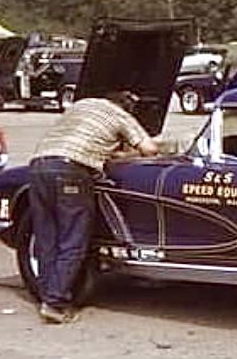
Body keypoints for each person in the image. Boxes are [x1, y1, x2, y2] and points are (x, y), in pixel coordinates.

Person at [28, 91, 159, 324]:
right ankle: (55, 303)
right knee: (73, 239)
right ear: (126, 107)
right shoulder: (121, 116)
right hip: (71, 172)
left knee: (47, 238)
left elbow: (81, 136)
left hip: (39, 165)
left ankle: (46, 295)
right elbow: (149, 150)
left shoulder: (82, 104)